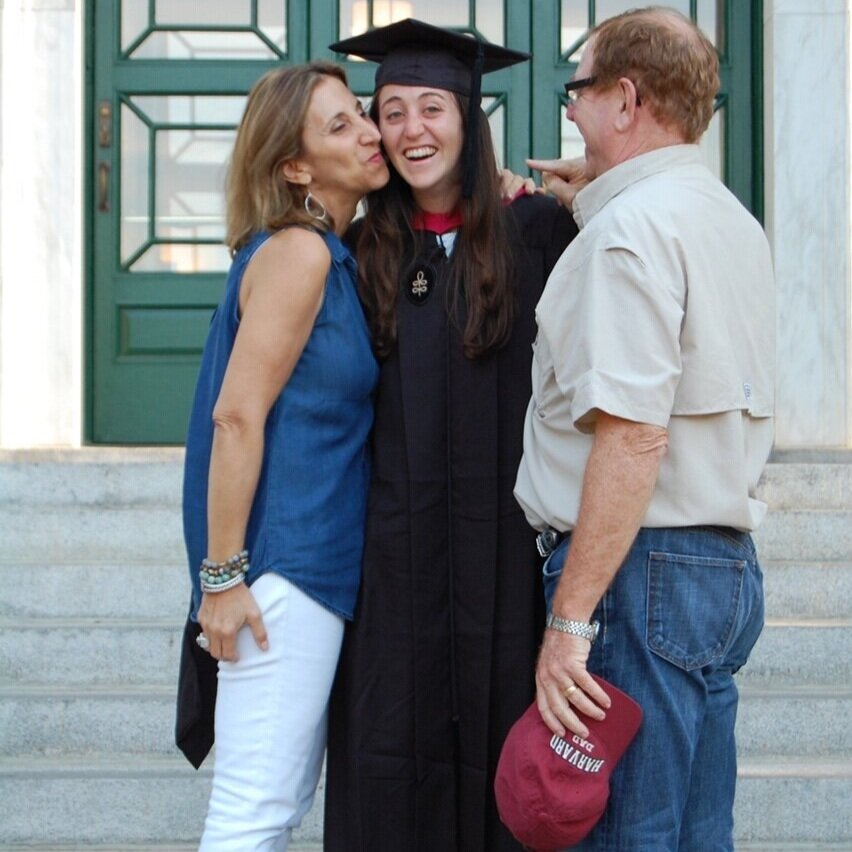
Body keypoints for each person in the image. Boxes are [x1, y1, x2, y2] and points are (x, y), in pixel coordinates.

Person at [514, 7, 774, 850]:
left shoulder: (629, 234)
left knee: (627, 836)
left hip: (637, 578)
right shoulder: (727, 218)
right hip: (719, 568)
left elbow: (631, 437)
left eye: (577, 90)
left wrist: (568, 624)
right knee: (697, 834)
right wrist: (595, 197)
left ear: (625, 100)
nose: (570, 112)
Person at [324, 19, 579, 852]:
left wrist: (591, 189)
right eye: (391, 111)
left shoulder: (536, 232)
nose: (411, 130)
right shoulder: (364, 249)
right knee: (394, 752)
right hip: (393, 560)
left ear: (470, 120)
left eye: (432, 107)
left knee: (503, 748)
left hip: (503, 555)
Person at [177, 61, 389, 850]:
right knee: (253, 815)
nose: (370, 132)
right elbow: (235, 418)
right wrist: (224, 580)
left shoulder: (326, 254)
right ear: (294, 166)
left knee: (274, 803)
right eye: (340, 126)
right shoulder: (298, 255)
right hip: (281, 577)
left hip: (306, 572)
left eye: (361, 114)